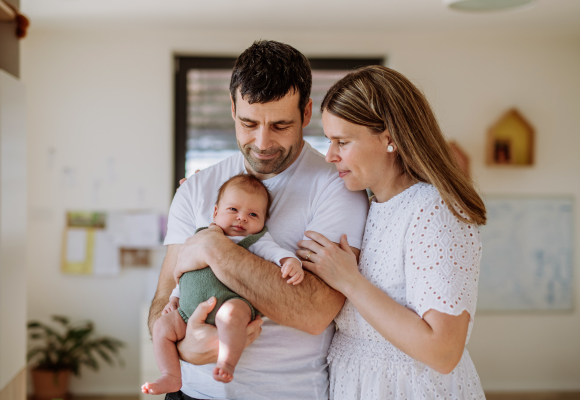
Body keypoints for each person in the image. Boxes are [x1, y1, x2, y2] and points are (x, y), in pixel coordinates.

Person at [148, 40, 369, 400]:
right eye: (249, 123)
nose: (263, 142)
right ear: (233, 109)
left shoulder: (336, 187)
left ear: (307, 112)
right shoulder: (197, 189)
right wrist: (187, 348)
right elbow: (161, 302)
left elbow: (315, 311)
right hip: (190, 393)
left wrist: (213, 248)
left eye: (280, 125)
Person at [296, 65, 487, 399]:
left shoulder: (434, 211)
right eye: (329, 141)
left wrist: (349, 281)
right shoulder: (367, 208)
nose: (330, 155)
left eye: (343, 141)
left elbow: (443, 352)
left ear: (389, 138)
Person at [142, 174, 304, 395]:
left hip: (232, 302)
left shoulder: (257, 240)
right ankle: (171, 376)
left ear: (264, 221)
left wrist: (290, 262)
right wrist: (173, 299)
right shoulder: (199, 236)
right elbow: (185, 272)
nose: (242, 218)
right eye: (233, 210)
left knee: (231, 316)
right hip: (187, 311)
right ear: (216, 212)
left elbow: (276, 253)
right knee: (161, 327)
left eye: (253, 214)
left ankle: (227, 362)